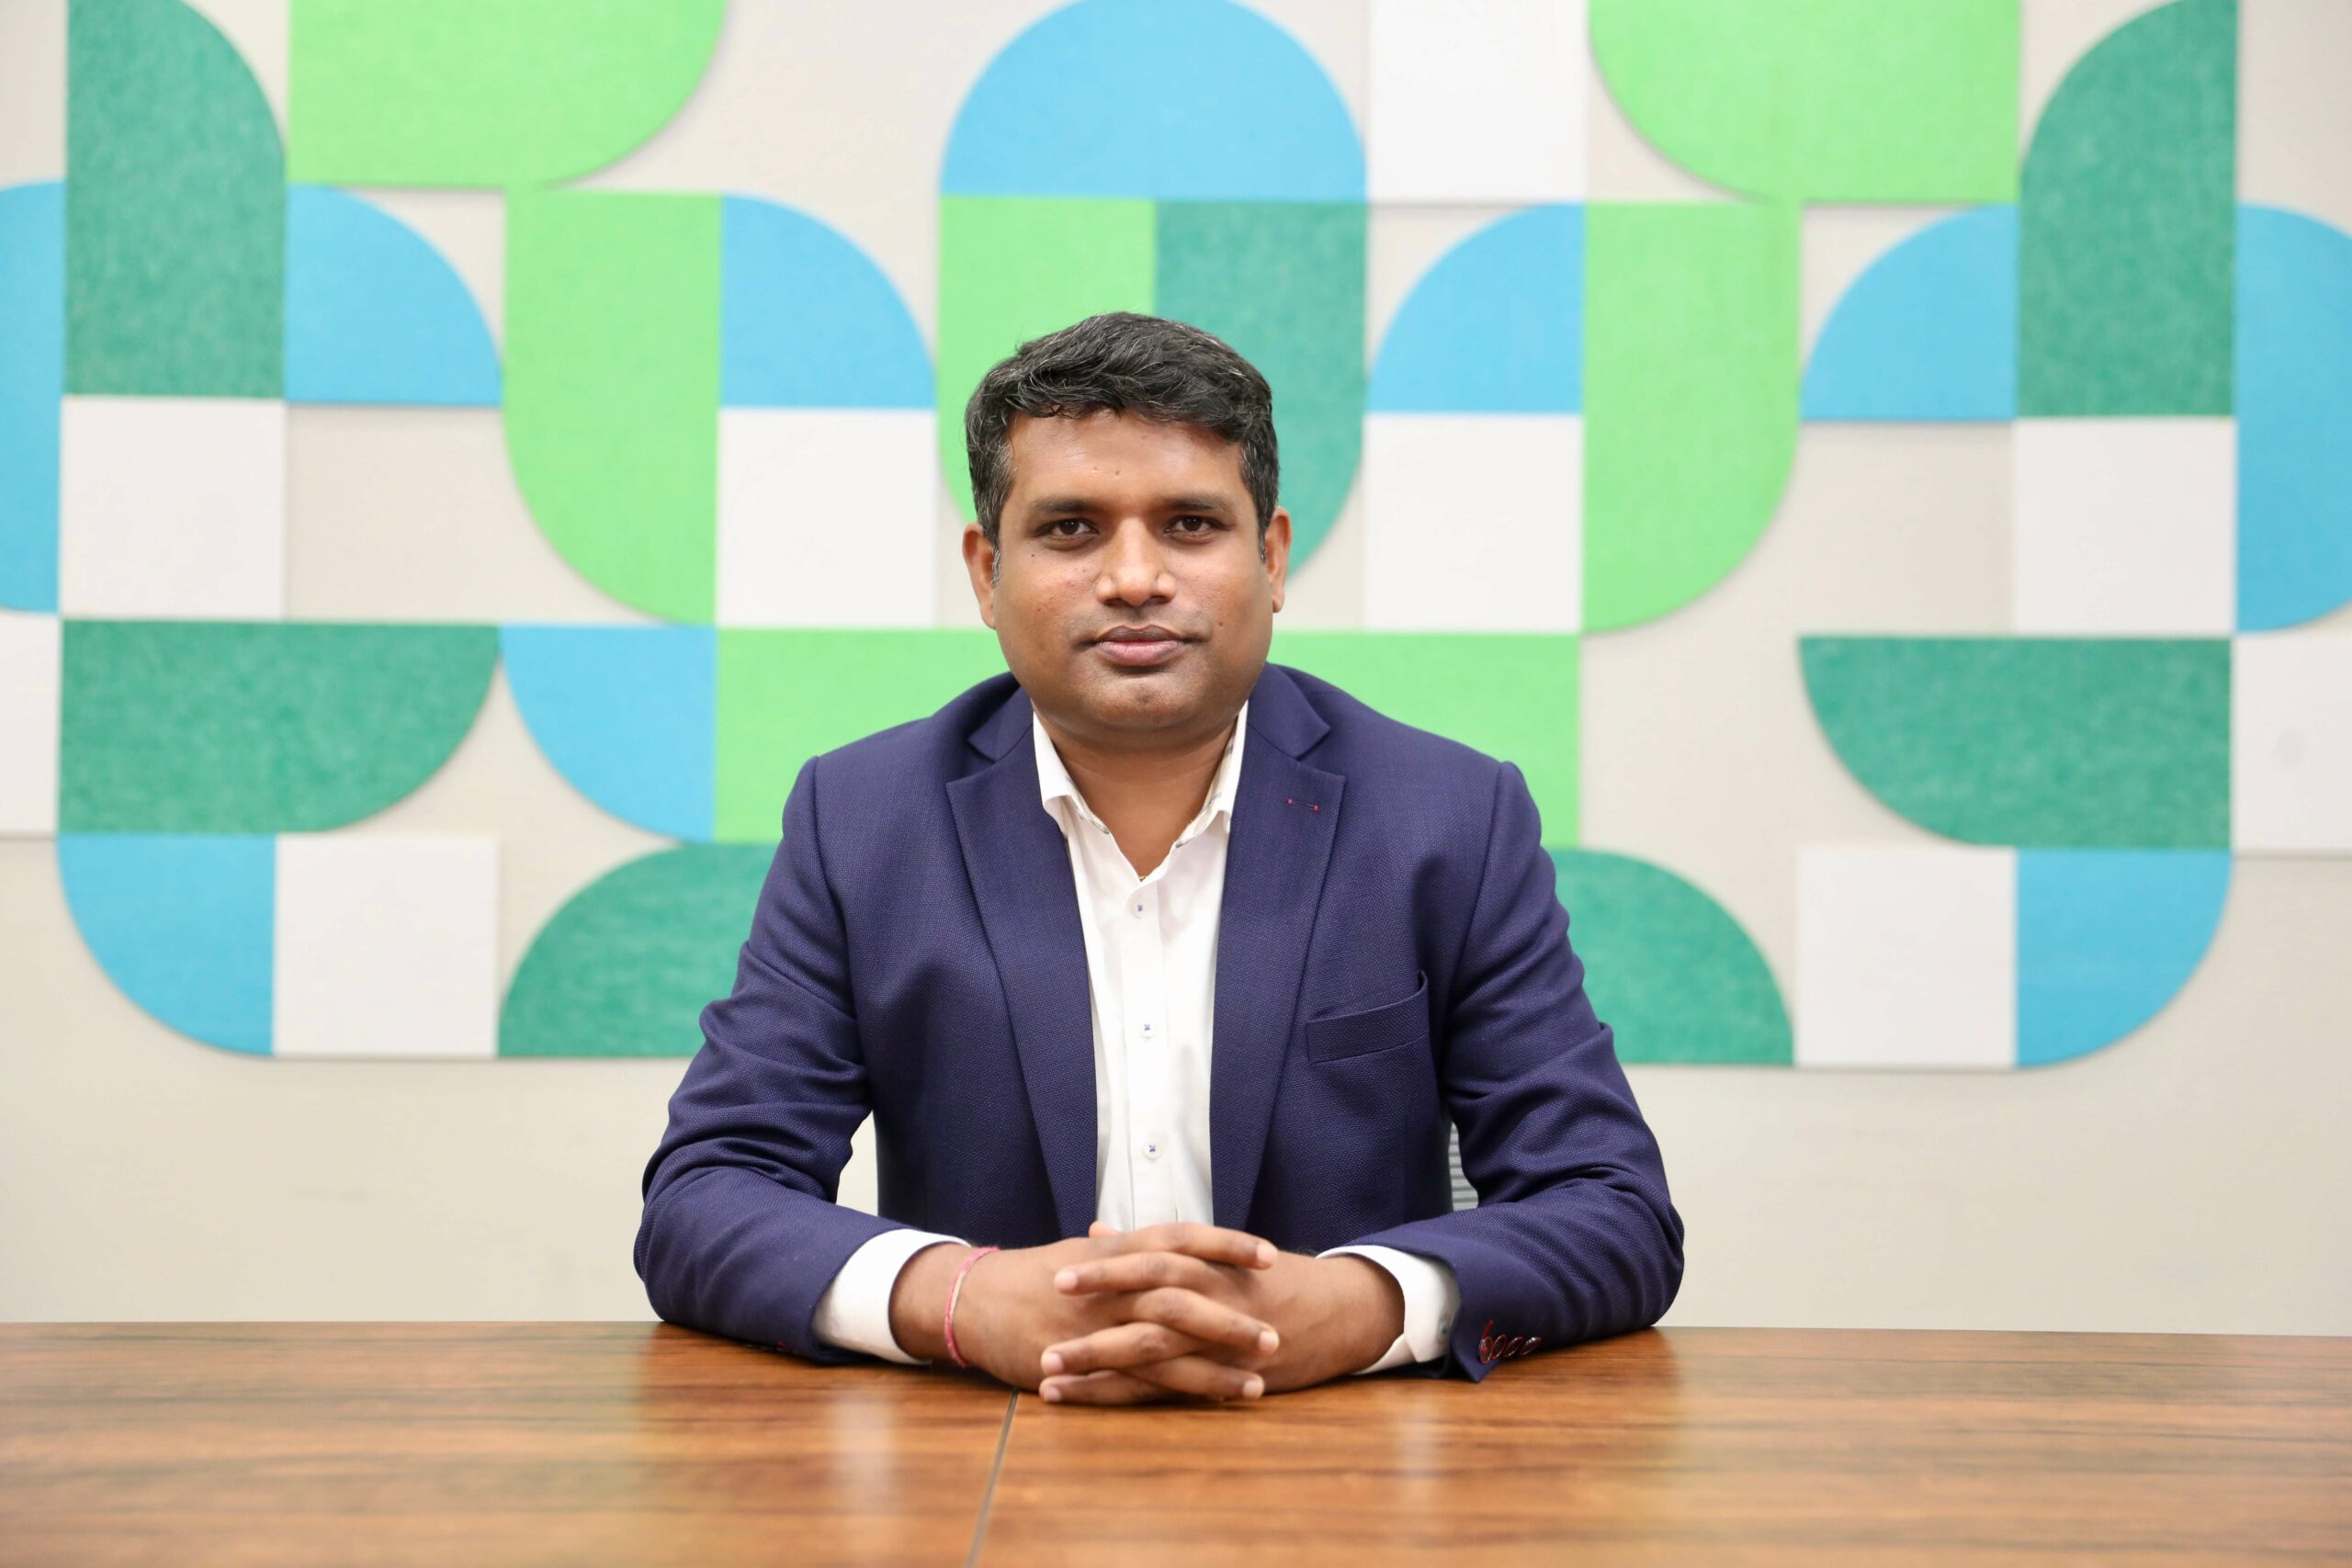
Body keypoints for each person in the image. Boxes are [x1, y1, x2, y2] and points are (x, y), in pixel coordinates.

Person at [635, 312, 1683, 1405]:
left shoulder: (1447, 817)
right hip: (985, 1450)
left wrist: (1357, 1307)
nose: (1134, 578)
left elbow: (1611, 1209)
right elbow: (707, 1195)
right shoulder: (862, 821)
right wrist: (961, 1301)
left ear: (1270, 558)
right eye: (1071, 530)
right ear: (987, 573)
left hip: (1341, 1450)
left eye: (1189, 525)